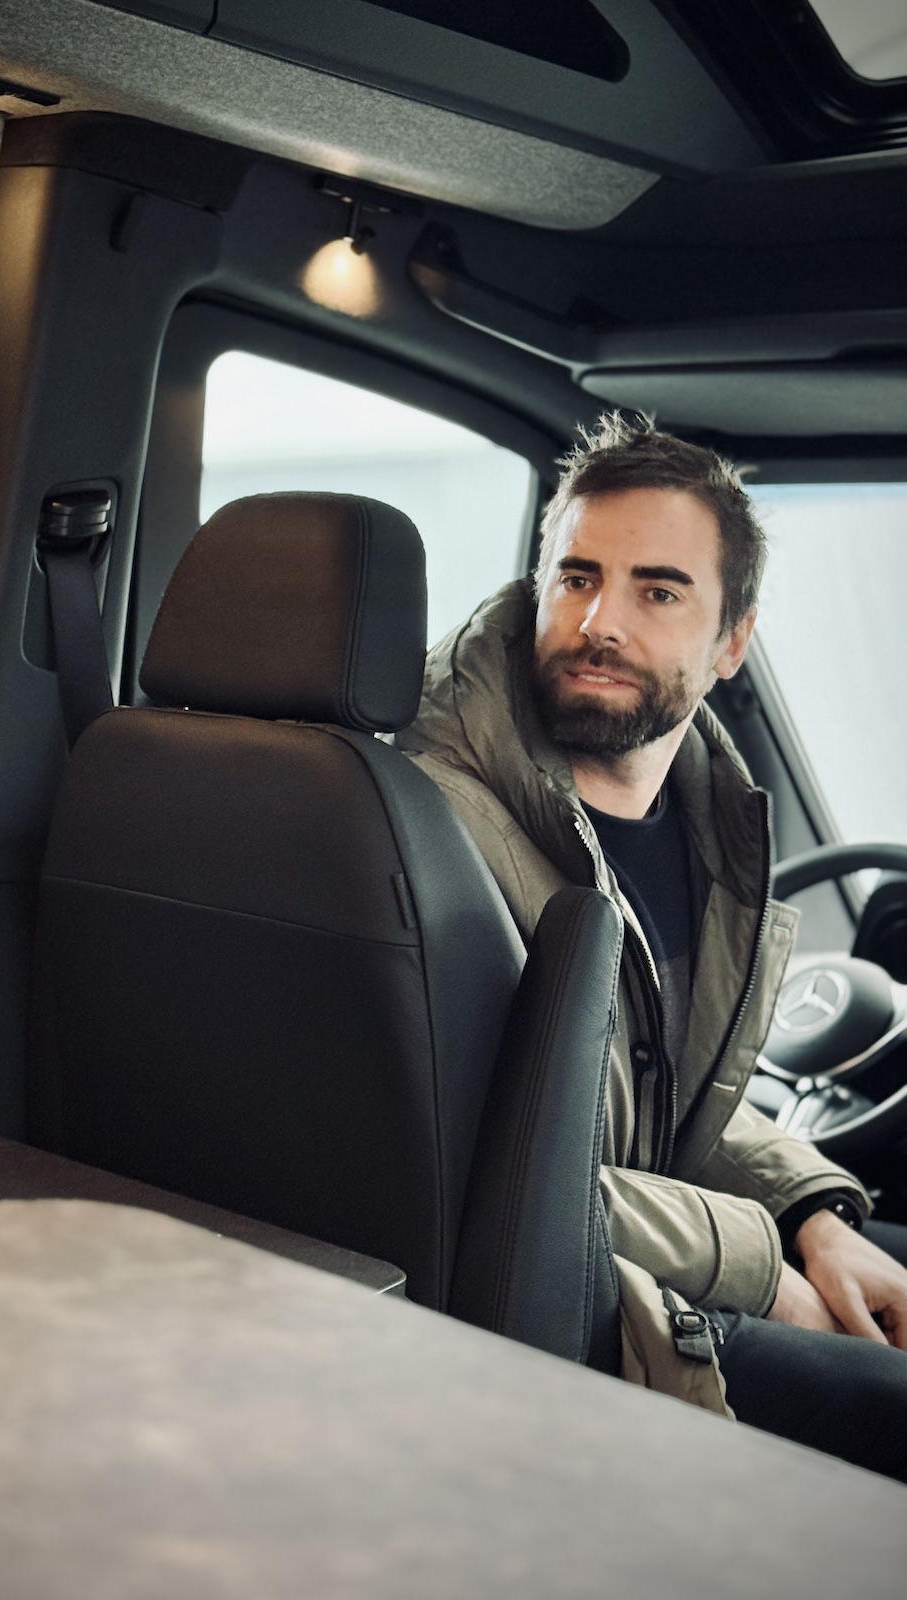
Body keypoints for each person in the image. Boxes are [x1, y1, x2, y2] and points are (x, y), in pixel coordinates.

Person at [397, 413, 907, 1479]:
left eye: (658, 591)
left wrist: (813, 1214)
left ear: (732, 643)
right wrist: (764, 1266)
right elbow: (494, 1165)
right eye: (577, 577)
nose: (600, 621)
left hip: (637, 1229)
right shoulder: (432, 828)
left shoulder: (708, 822)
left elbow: (662, 1094)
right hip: (556, 1300)